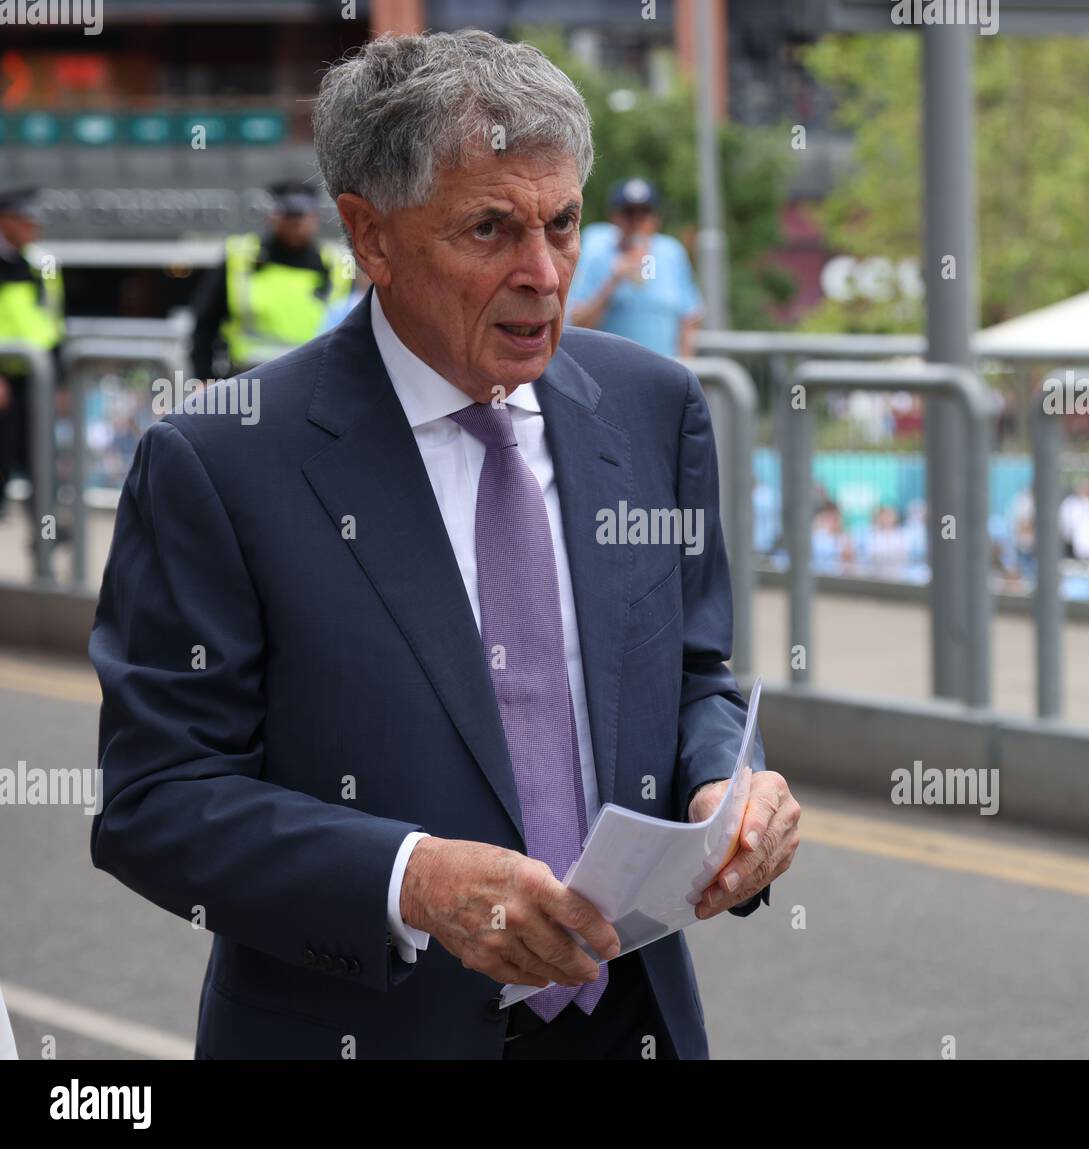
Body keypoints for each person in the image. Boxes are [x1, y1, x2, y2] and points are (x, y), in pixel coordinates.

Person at [89, 30, 798, 1061]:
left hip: (629, 1026)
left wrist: (725, 791)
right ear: (369, 237)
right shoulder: (218, 463)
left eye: (562, 225)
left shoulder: (654, 409)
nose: (544, 274)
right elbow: (157, 802)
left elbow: (693, 678)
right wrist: (411, 881)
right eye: (489, 230)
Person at [189, 181, 352, 379]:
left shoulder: (338, 265)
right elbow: (205, 325)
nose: (294, 222)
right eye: (288, 214)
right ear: (272, 215)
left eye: (300, 215)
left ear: (315, 217)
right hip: (247, 376)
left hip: (313, 378)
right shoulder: (239, 257)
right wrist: (204, 378)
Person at [566, 178, 705, 358]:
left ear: (655, 219)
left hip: (663, 377)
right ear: (615, 218)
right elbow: (576, 326)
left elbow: (690, 318)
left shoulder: (671, 253)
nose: (636, 223)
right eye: (629, 214)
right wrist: (612, 284)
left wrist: (685, 369)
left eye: (644, 214)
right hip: (611, 376)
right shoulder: (597, 254)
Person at [0, 186, 64, 523]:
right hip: (3, 383)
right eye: (26, 221)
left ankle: (45, 544)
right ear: (5, 221)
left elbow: (54, 327)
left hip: (35, 380)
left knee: (41, 464)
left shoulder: (44, 263)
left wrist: (61, 382)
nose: (34, 228)